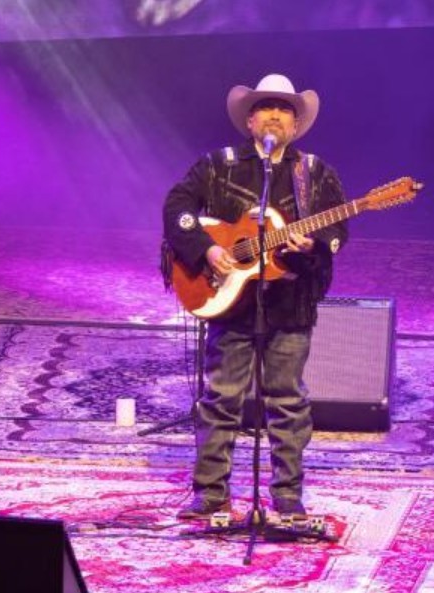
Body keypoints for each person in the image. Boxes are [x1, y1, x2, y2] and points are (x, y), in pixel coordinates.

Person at [162, 73, 349, 520]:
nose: (274, 115)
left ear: (296, 123)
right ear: (249, 120)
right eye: (265, 107)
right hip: (231, 302)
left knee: (287, 402)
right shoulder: (219, 165)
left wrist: (315, 245)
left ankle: (287, 497)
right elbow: (177, 207)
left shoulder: (315, 174)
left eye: (284, 109)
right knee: (221, 397)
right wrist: (206, 249)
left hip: (290, 303)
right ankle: (210, 494)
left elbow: (338, 228)